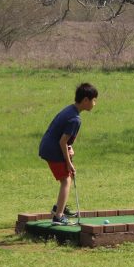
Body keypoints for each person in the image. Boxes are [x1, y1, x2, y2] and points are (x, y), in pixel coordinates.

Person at [39, 82, 98, 225]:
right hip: (52, 149)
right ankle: (58, 216)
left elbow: (64, 140)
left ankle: (59, 207)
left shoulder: (70, 110)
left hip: (50, 146)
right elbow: (62, 142)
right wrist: (69, 162)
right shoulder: (75, 119)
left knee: (67, 177)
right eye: (93, 100)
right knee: (66, 180)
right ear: (85, 100)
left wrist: (69, 147)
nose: (94, 104)